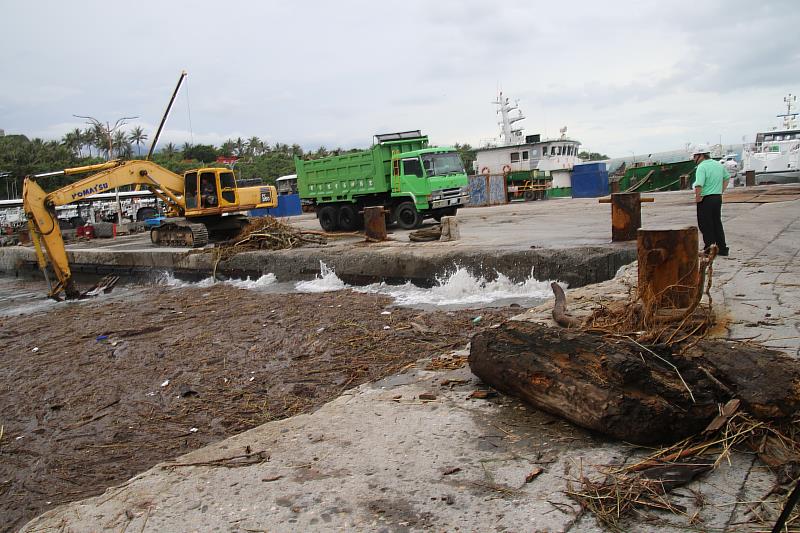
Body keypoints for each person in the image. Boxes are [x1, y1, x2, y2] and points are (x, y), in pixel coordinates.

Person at [692, 145, 730, 256]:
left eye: (695, 157)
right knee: (717, 222)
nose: (694, 159)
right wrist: (720, 190)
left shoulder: (701, 167)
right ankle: (722, 248)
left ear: (701, 155)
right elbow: (727, 178)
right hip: (717, 197)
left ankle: (709, 248)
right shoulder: (718, 165)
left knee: (705, 224)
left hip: (706, 198)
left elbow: (699, 184)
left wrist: (698, 198)